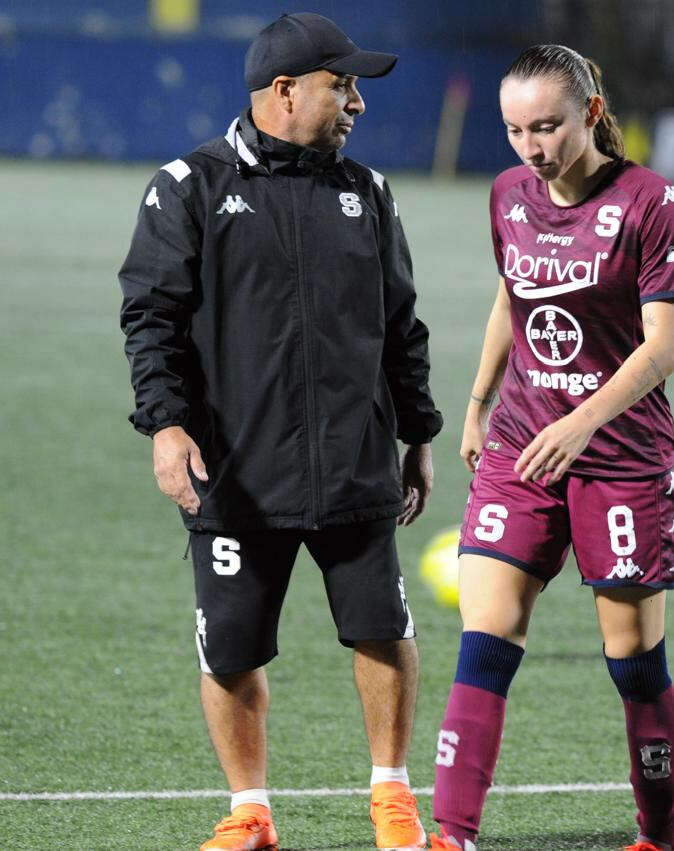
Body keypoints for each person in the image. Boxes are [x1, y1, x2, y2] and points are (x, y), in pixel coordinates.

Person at [118, 13, 443, 851]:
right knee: (229, 648)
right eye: (344, 86)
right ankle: (251, 809)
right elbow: (150, 317)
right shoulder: (186, 186)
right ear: (285, 91)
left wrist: (418, 432)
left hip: (354, 460)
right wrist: (165, 426)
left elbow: (401, 322)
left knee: (383, 625)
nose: (357, 105)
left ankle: (392, 798)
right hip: (234, 467)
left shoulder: (366, 193)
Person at [428, 45, 674, 851]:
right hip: (519, 447)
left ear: (592, 113)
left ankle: (656, 834)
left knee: (633, 660)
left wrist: (581, 422)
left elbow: (662, 349)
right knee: (486, 639)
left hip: (619, 459)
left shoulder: (652, 202)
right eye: (515, 130)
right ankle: (451, 835)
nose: (531, 148)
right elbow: (514, 295)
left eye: (547, 127)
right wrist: (476, 404)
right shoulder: (509, 194)